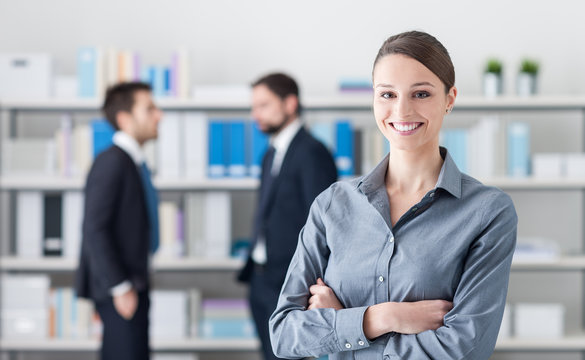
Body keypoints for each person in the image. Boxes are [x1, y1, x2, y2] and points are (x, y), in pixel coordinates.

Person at [269, 31, 518, 359]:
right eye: (387, 94)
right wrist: (385, 317)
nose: (401, 111)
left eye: (421, 93)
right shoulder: (332, 204)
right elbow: (285, 334)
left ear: (450, 98)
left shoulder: (487, 212)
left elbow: (464, 349)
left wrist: (344, 321)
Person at [237, 73, 338, 360]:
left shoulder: (313, 153)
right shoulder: (270, 154)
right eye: (254, 106)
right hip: (260, 276)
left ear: (290, 103)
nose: (256, 114)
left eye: (264, 105)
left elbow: (323, 226)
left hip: (288, 281)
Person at [75, 82, 162, 360]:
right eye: (149, 109)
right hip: (120, 289)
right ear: (124, 119)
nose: (159, 115)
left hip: (133, 284)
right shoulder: (112, 162)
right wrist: (121, 286)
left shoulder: (134, 163)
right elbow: (94, 228)